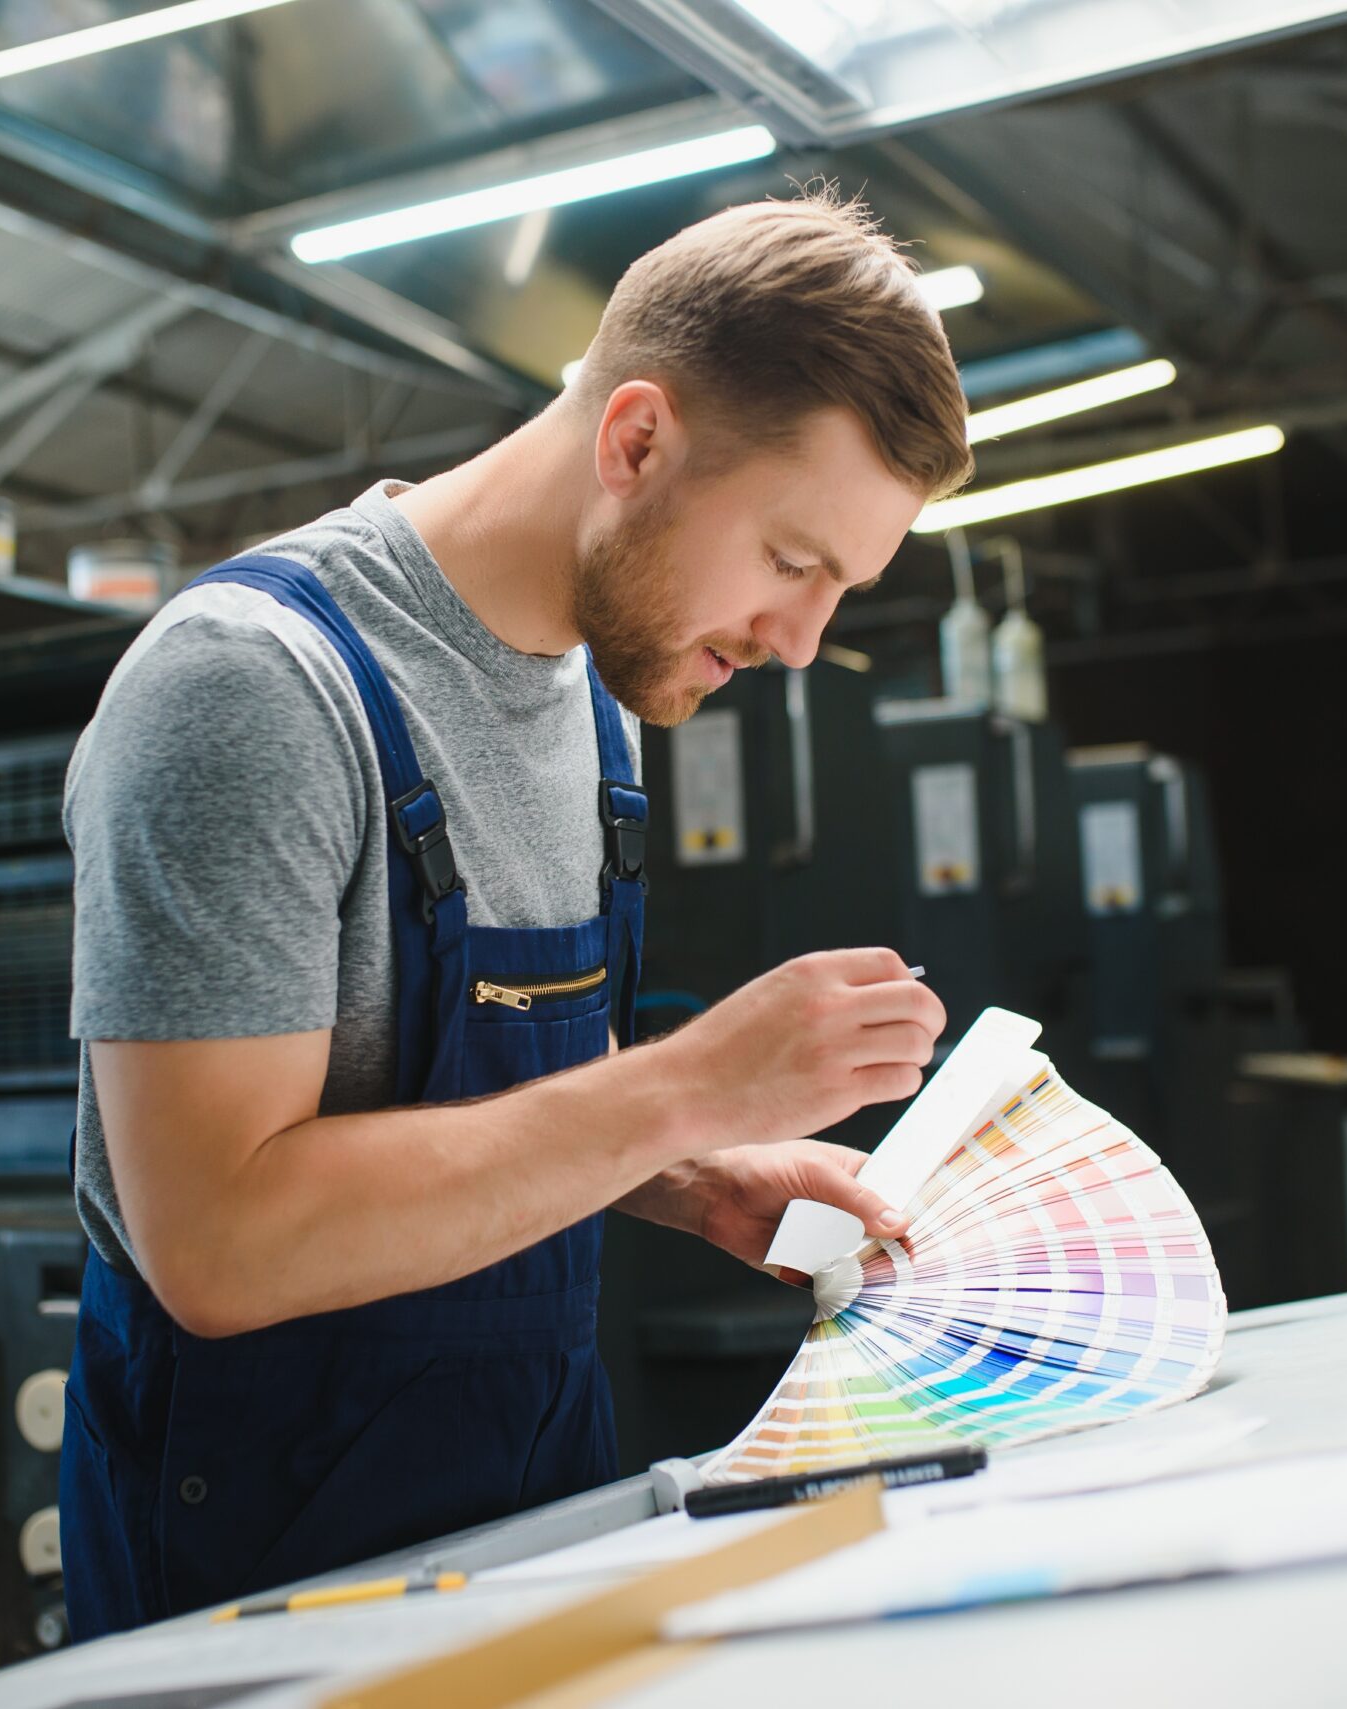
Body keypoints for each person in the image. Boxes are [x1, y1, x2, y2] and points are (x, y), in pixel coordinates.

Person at [59, 189, 975, 1639]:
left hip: (532, 1525)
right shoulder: (252, 692)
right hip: (257, 1586)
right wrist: (686, 1084)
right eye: (793, 562)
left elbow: (487, 1116)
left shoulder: (593, 709)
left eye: (837, 589)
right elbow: (219, 1241)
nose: (801, 640)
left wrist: (690, 1165)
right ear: (635, 440)